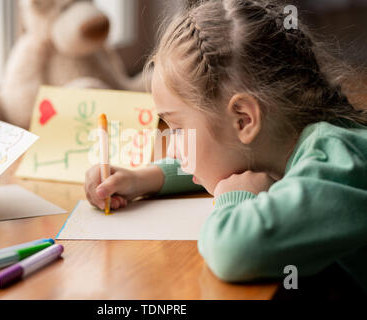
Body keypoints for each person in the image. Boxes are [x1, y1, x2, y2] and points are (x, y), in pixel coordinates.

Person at [84, 0, 367, 294]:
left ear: (244, 120)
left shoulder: (334, 171)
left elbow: (234, 252)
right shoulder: (297, 142)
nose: (173, 150)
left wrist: (235, 200)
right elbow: (227, 160)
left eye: (178, 130)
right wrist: (145, 178)